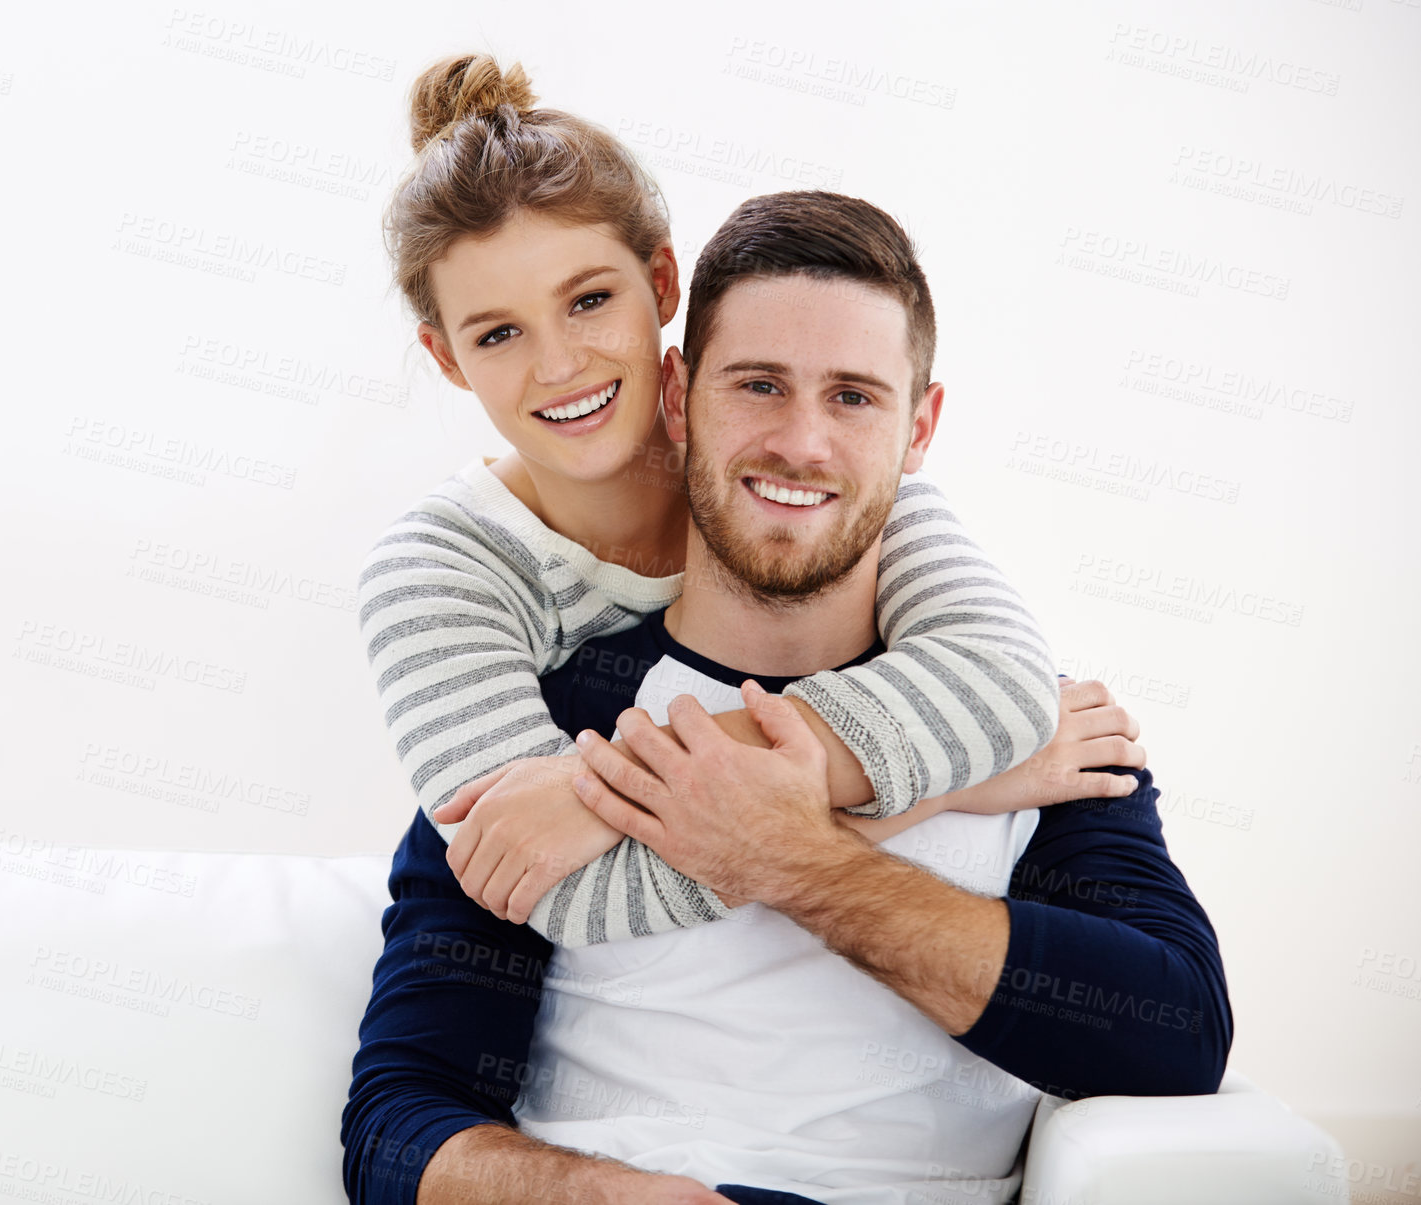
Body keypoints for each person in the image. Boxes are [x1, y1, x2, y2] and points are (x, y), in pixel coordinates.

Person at [341, 189, 1232, 1205]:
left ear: (919, 427)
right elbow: (396, 1129)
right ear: (677, 400)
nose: (800, 443)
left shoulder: (1034, 725)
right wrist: (614, 1196)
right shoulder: (544, 736)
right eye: (757, 384)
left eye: (853, 396)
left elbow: (1173, 1038)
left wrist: (797, 857)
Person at [357, 53, 1133, 948]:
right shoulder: (439, 574)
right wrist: (951, 785)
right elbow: (568, 896)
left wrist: (590, 791)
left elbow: (1000, 689)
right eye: (497, 333)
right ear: (447, 357)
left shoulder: (781, 474)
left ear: (659, 286)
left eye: (589, 300)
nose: (559, 365)